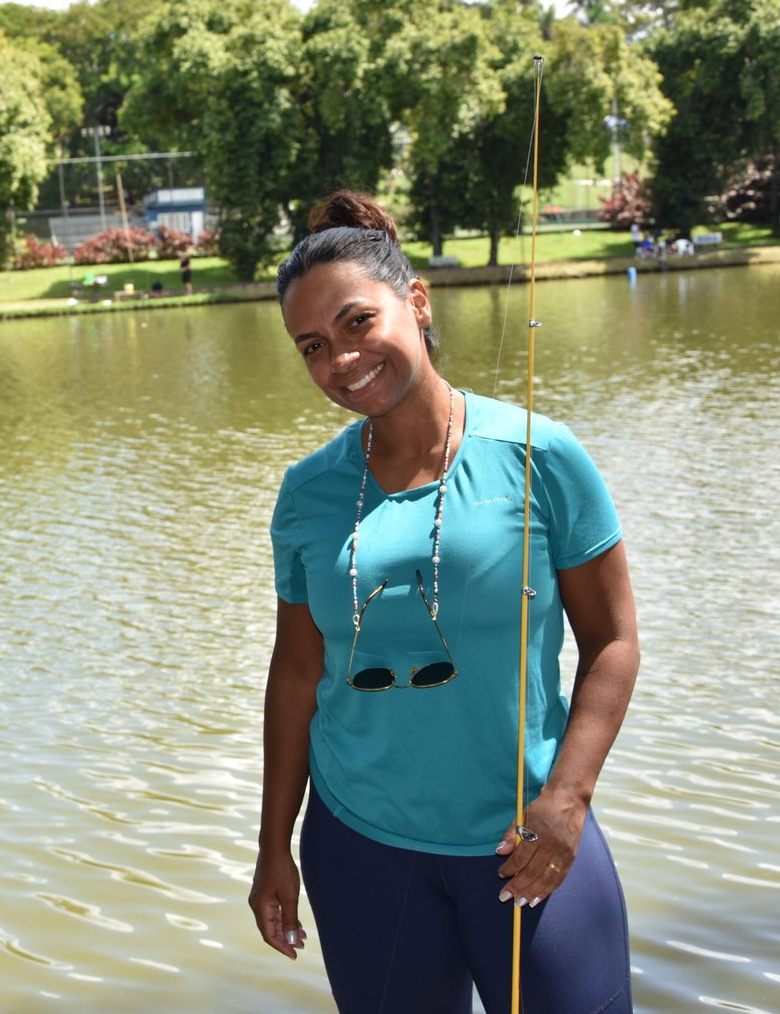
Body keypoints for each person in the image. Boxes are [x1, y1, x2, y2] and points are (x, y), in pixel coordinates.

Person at [248, 190, 638, 1013]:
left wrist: (567, 798)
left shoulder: (541, 454)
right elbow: (297, 674)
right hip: (360, 848)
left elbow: (612, 640)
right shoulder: (306, 493)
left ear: (416, 302)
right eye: (312, 346)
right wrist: (272, 844)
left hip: (527, 840)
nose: (341, 360)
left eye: (358, 322)